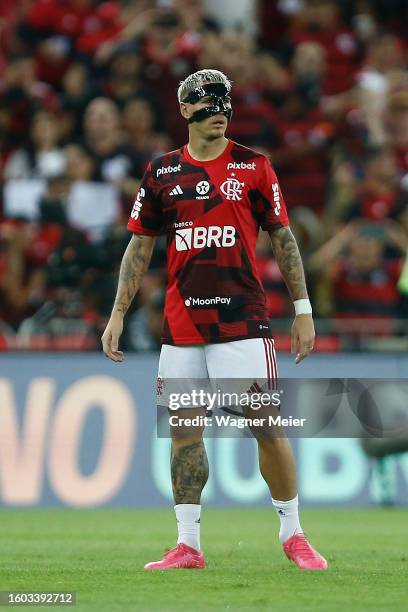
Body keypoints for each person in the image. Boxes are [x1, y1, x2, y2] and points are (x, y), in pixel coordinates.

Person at [102, 69, 327, 571]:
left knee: (266, 426)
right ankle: (188, 545)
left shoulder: (254, 166)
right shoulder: (161, 173)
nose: (218, 109)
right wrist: (117, 314)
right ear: (185, 111)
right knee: (185, 433)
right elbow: (138, 247)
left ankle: (294, 534)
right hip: (181, 330)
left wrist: (303, 310)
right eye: (206, 101)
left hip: (242, 322)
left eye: (224, 100)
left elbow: (283, 240)